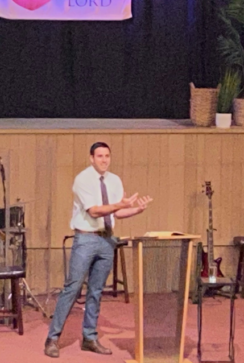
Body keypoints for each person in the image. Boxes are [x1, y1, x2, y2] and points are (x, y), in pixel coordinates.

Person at [45, 142, 152, 358]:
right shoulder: (83, 179)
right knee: (73, 288)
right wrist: (121, 205)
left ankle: (89, 337)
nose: (104, 160)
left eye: (107, 156)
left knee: (96, 291)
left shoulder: (114, 180)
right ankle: (52, 339)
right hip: (86, 239)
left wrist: (136, 210)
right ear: (91, 158)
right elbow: (94, 211)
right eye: (100, 156)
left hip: (107, 240)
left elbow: (116, 213)